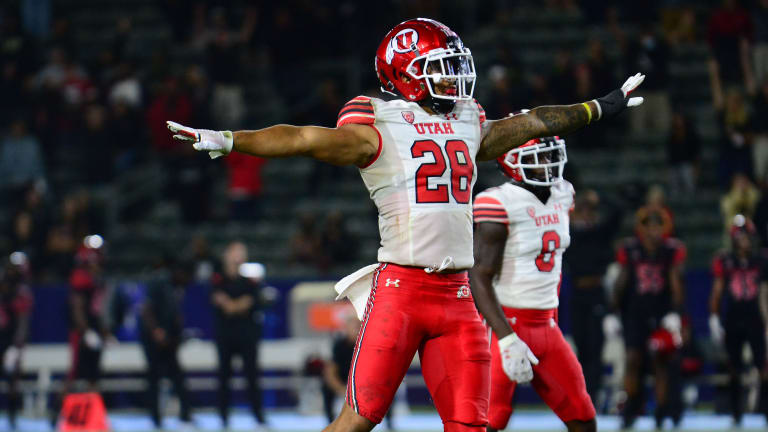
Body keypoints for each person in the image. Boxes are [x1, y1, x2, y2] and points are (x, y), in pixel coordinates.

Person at [167, 18, 645, 431]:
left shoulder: (468, 119)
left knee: (469, 424)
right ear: (406, 73)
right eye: (441, 67)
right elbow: (301, 138)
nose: (455, 77)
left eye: (456, 65)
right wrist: (231, 139)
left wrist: (598, 107)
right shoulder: (378, 122)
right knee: (361, 417)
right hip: (402, 291)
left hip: (459, 298)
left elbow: (537, 121)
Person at [471, 136, 595, 432]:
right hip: (506, 323)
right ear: (511, 161)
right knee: (489, 421)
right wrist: (506, 338)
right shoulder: (498, 201)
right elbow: (479, 275)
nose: (547, 165)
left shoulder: (563, 193)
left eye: (550, 156)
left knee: (582, 416)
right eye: (538, 158)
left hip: (547, 325)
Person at [608, 213, 686, 429]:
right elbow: (621, 281)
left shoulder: (670, 250)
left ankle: (660, 411)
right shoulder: (631, 249)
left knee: (661, 364)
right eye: (649, 227)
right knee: (633, 359)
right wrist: (612, 312)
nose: (653, 231)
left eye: (657, 226)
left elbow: (676, 283)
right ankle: (630, 408)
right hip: (635, 312)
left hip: (661, 313)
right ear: (641, 229)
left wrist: (675, 312)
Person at [564, 189, 624, 408]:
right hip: (578, 296)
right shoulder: (570, 235)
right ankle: (583, 396)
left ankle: (593, 397)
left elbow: (618, 211)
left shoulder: (600, 233)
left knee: (596, 348)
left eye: (590, 211)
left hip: (597, 294)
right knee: (581, 349)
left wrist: (600, 197)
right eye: (582, 211)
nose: (587, 215)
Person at [708, 215, 768, 426]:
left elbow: (764, 293)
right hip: (734, 318)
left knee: (762, 365)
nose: (744, 240)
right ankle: (736, 412)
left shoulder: (761, 260)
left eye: (746, 236)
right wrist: (714, 317)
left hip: (755, 318)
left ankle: (764, 408)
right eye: (740, 236)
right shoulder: (725, 260)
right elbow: (717, 291)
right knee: (734, 367)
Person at [211, 242, 266, 427]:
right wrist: (236, 305)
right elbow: (217, 299)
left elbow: (251, 300)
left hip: (247, 334)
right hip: (225, 334)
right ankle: (223, 416)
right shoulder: (217, 278)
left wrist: (232, 305)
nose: (238, 257)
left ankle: (258, 415)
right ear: (226, 255)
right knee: (224, 375)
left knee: (252, 375)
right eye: (235, 253)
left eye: (242, 253)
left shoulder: (250, 280)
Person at [139, 257, 192, 429]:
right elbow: (146, 309)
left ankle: (185, 415)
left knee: (177, 376)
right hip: (153, 339)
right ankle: (155, 418)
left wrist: (176, 335)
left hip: (168, 340)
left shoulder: (175, 287)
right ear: (179, 272)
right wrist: (156, 331)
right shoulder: (159, 282)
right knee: (154, 377)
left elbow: (175, 315)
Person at [0, 252, 33, 429]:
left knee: (12, 380)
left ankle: (12, 419)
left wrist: (15, 347)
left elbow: (22, 322)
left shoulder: (22, 292)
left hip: (10, 340)